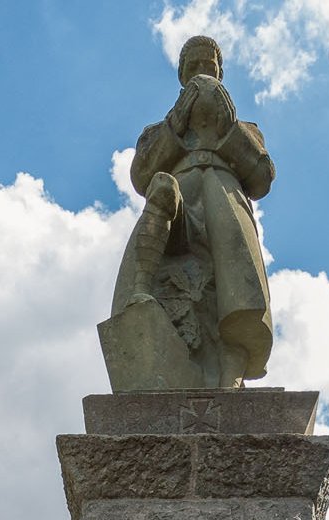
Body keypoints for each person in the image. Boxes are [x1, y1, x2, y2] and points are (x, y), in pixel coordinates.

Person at [114, 36, 275, 387]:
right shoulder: (158, 130)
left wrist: (230, 128)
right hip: (183, 197)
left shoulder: (246, 130)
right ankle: (141, 290)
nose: (203, 73)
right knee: (161, 187)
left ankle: (231, 375)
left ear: (220, 74)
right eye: (195, 67)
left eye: (209, 67)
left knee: (232, 286)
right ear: (183, 77)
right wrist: (176, 122)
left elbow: (262, 178)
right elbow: (141, 175)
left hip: (224, 199)